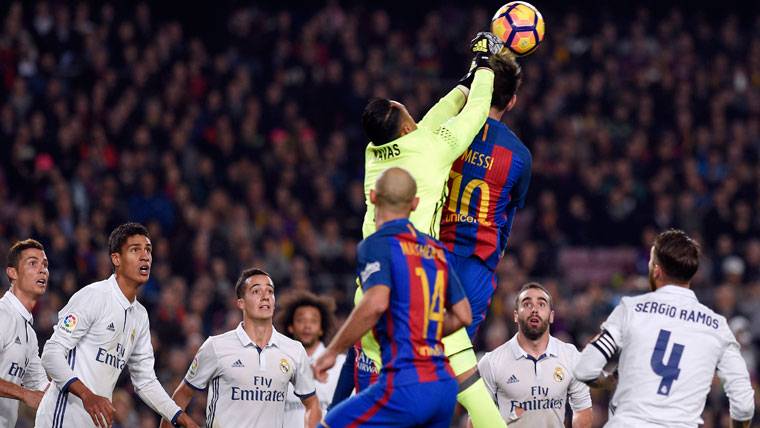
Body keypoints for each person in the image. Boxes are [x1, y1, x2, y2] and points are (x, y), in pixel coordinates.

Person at [332, 32, 505, 428]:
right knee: (469, 385)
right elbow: (477, 110)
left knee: (383, 397)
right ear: (406, 127)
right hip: (415, 290)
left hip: (370, 287)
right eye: (405, 111)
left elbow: (436, 116)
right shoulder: (433, 150)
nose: (413, 115)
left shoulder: (375, 153)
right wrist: (485, 64)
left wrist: (469, 75)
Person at [313, 167, 473, 427]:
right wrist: (420, 331)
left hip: (404, 384)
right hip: (443, 385)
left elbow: (376, 303)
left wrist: (332, 351)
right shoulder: (436, 250)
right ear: (415, 204)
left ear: (373, 197)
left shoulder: (377, 244)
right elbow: (464, 314)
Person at [574, 229, 755, 427]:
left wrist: (608, 381)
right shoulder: (717, 327)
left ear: (657, 270)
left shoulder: (631, 309)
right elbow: (744, 405)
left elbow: (585, 369)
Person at [439, 49, 533, 428]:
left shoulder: (449, 131)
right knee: (455, 365)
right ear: (512, 101)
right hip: (475, 271)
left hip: (431, 257)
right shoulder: (519, 156)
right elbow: (509, 216)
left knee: (412, 355)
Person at [36, 223, 198, 428]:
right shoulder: (94, 296)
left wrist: (180, 417)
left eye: (148, 250)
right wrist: (87, 395)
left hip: (96, 422)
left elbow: (145, 381)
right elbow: (51, 354)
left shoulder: (140, 316)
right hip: (61, 418)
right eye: (135, 250)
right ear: (116, 259)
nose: (145, 256)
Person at [161, 268, 321, 428]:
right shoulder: (216, 347)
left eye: (270, 291)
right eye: (256, 291)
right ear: (241, 303)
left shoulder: (294, 350)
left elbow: (312, 404)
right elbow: (182, 396)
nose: (265, 296)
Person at [476, 282, 592, 427]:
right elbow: (476, 419)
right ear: (516, 315)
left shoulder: (571, 356)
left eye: (541, 304)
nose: (534, 310)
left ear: (551, 316)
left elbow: (582, 410)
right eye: (527, 304)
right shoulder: (491, 362)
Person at [277, 290, 345, 427]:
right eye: (301, 320)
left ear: (321, 328)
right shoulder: (277, 363)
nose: (307, 326)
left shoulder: (341, 364)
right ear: (290, 327)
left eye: (313, 321)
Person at [0, 239, 50, 426]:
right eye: (33, 263)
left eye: (45, 265)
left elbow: (42, 387)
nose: (42, 270)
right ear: (12, 273)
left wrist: (84, 398)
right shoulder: (2, 314)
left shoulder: (29, 333)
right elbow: (30, 394)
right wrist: (24, 394)